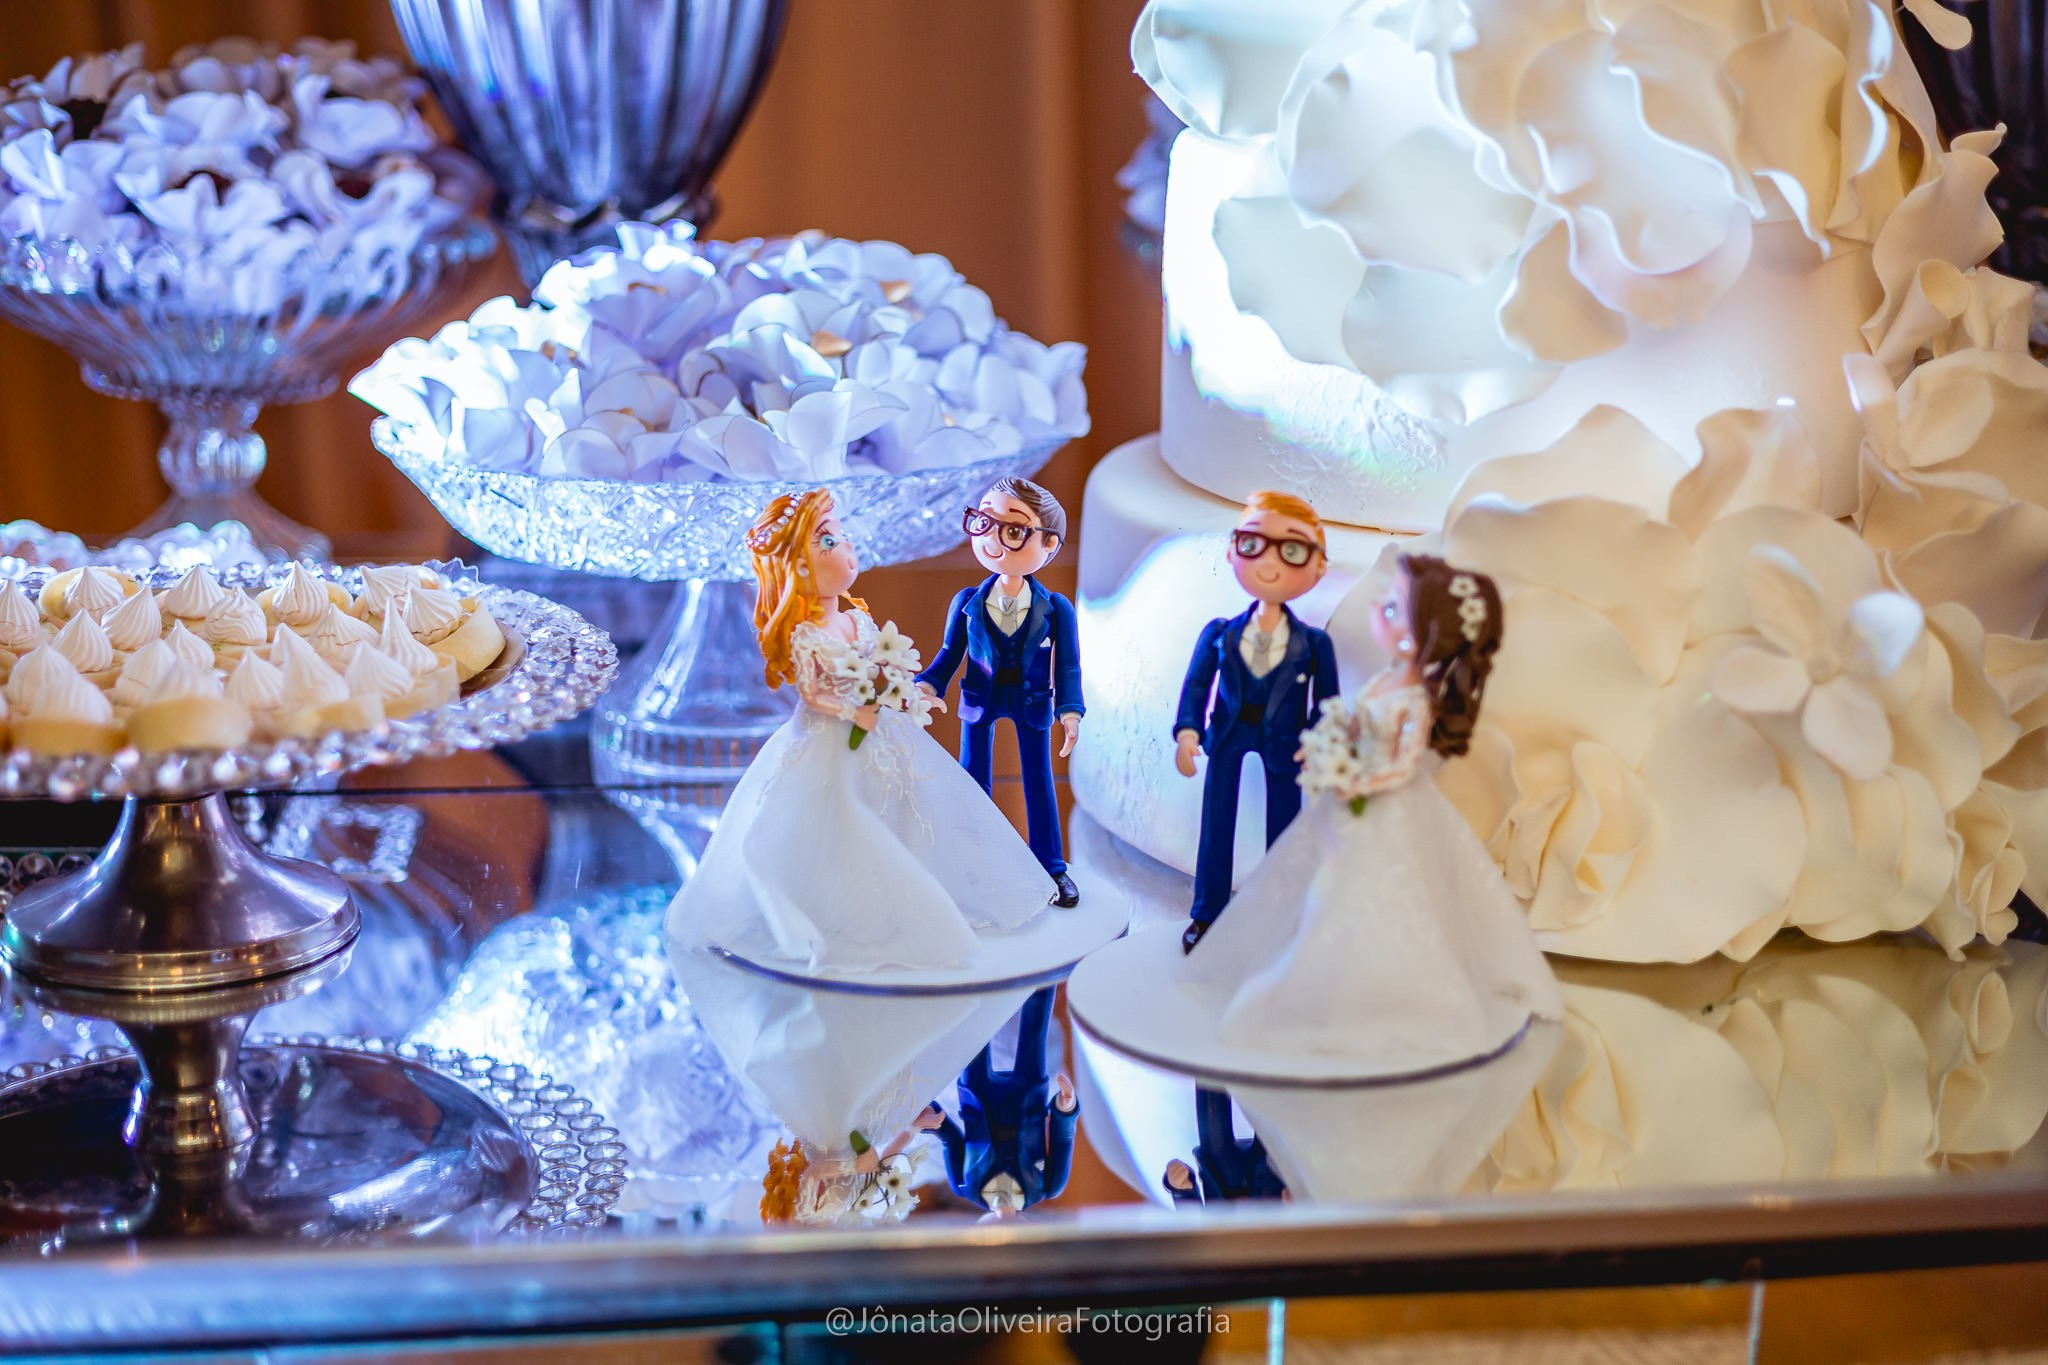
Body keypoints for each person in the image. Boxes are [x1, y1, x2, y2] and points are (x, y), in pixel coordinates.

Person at [1186, 554, 1562, 1072]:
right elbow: (1352, 723)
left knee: (1382, 896)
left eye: (1392, 609)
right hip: (1353, 804)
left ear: (1419, 633)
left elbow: (1407, 762)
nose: (1377, 613)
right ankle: (1320, 980)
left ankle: (1387, 995)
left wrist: (1354, 778)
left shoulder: (1415, 697)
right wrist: (1326, 745)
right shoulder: (1386, 679)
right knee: (1329, 891)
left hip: (1389, 810)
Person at [665, 489, 1049, 975]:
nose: (848, 549)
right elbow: (811, 693)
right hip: (833, 741)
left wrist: (901, 688)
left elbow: (885, 663)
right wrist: (855, 706)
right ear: (801, 570)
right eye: (830, 541)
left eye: (842, 536)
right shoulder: (808, 634)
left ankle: (909, 903)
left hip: (883, 733)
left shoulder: (857, 619)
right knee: (840, 821)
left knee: (914, 809)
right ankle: (841, 916)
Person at [1173, 490, 1341, 952]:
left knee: (1285, 832)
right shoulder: (1219, 634)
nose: (1270, 563)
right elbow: (1196, 686)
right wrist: (1188, 732)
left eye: (1292, 551)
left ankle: (1280, 915)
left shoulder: (1314, 645)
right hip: (1225, 735)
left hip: (1286, 742)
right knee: (1216, 824)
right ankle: (1207, 914)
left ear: (1319, 566)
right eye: (1253, 544)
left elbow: (1328, 702)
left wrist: (1319, 742)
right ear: (1232, 550)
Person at [919, 478, 1086, 907]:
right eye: (983, 523)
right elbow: (948, 653)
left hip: (1033, 702)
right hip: (979, 697)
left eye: (1011, 530)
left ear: (1048, 545)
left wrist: (1071, 712)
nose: (993, 539)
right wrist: (927, 685)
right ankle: (973, 864)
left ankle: (1051, 868)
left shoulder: (1057, 608)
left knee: (1039, 782)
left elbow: (1068, 665)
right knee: (972, 782)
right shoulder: (968, 601)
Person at [933, 987, 1080, 1214]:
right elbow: (1063, 1139)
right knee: (1034, 1031)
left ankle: (969, 984)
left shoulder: (964, 1186)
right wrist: (1066, 1108)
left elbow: (950, 1139)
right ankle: (1043, 978)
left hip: (977, 1099)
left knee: (971, 1034)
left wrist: (932, 1116)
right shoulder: (1047, 1187)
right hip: (1028, 1099)